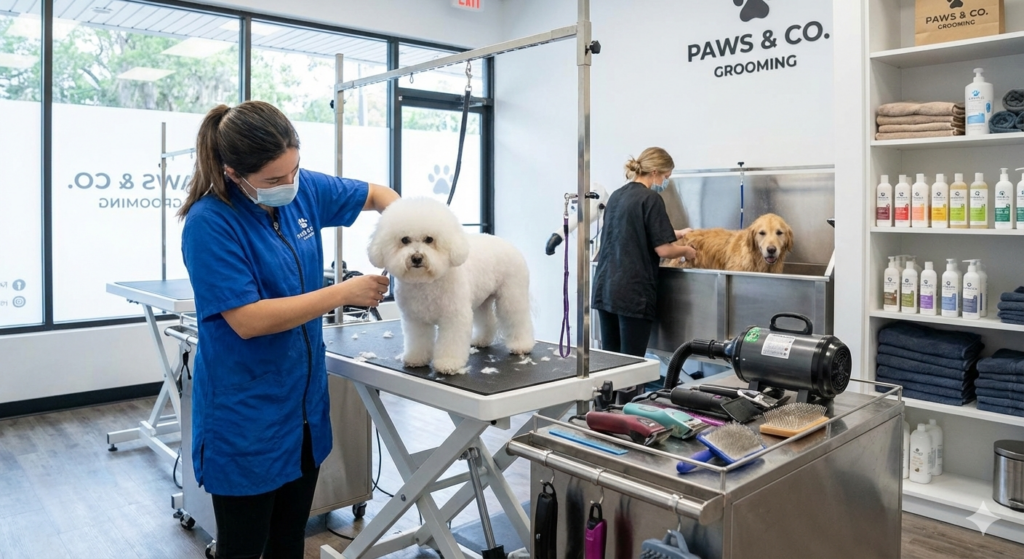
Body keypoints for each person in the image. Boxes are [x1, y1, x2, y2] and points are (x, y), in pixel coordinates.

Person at [177, 100, 398, 559]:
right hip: (246, 418)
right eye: (273, 180)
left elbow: (382, 196)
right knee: (243, 548)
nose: (288, 186)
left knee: (288, 542)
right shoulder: (210, 223)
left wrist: (408, 233)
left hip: (303, 411)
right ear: (233, 172)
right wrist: (342, 292)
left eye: (293, 170)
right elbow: (248, 320)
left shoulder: (304, 188)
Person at [592, 147, 696, 361]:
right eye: (666, 177)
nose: (666, 182)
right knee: (631, 363)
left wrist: (677, 233)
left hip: (606, 288)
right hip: (632, 293)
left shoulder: (617, 196)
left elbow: (635, 231)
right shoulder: (651, 199)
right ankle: (629, 396)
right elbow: (664, 249)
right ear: (655, 172)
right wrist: (687, 250)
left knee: (611, 362)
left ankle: (607, 397)